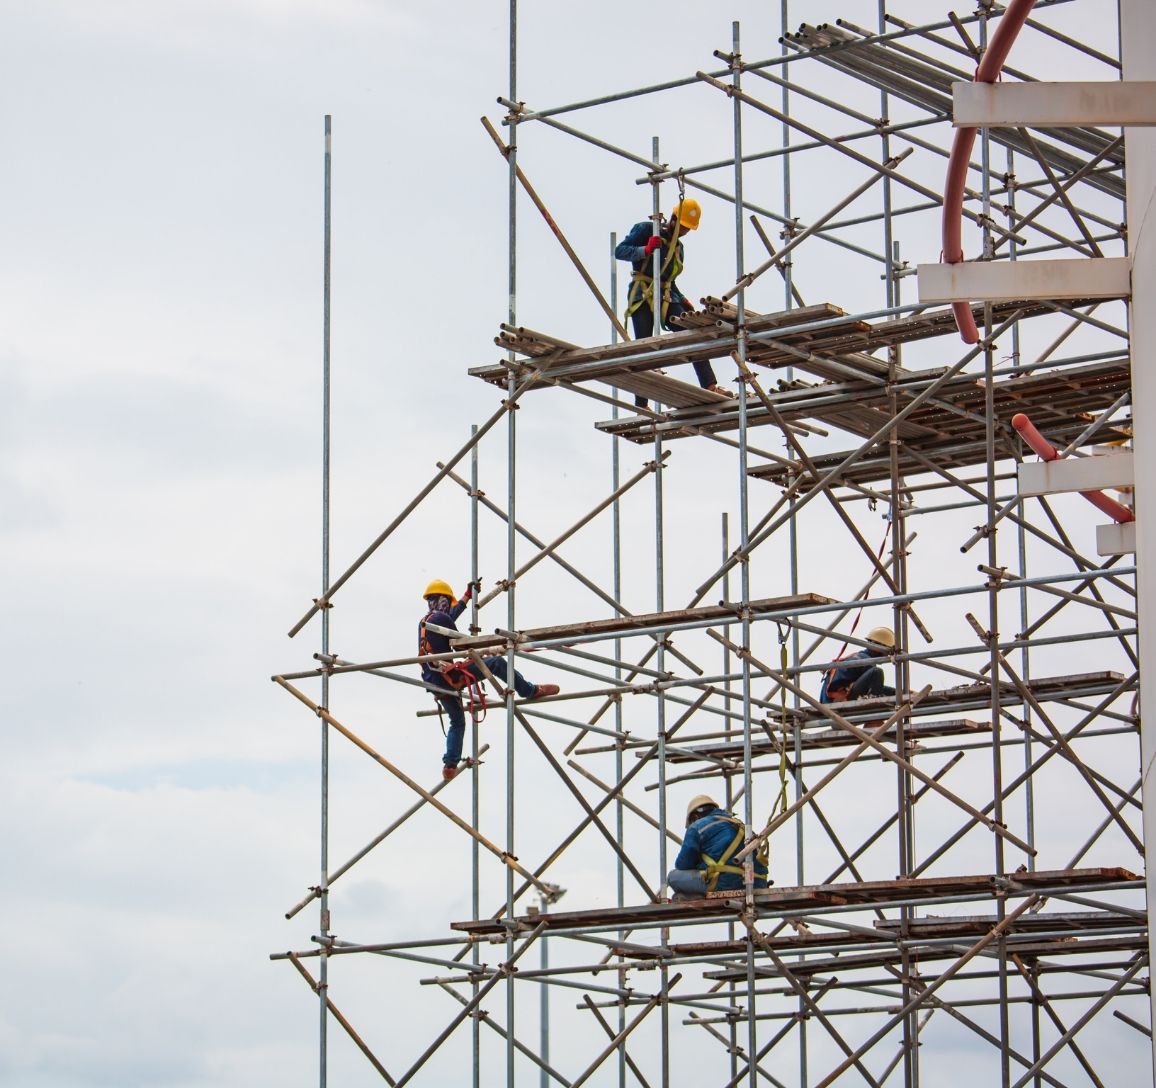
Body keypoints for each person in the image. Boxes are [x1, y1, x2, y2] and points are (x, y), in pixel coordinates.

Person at [418, 579, 560, 780]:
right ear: (443, 601)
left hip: (434, 682)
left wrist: (467, 596)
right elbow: (458, 639)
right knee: (495, 663)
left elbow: (452, 616)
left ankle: (450, 764)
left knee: (457, 721)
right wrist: (481, 648)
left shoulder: (426, 621)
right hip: (448, 676)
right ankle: (529, 690)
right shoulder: (441, 618)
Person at [614, 197, 729, 408]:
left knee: (692, 337)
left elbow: (669, 279)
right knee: (644, 348)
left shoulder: (678, 247)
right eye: (683, 226)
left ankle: (710, 385)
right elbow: (620, 251)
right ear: (674, 218)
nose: (684, 231)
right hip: (643, 295)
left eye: (688, 228)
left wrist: (681, 298)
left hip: (667, 296)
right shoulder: (647, 230)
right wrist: (645, 250)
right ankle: (641, 404)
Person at [667, 795, 769, 899]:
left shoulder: (697, 826)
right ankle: (696, 895)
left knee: (673, 877)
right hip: (756, 883)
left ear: (695, 817)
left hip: (724, 884)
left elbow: (683, 865)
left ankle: (695, 896)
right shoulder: (739, 825)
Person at [819, 625, 897, 704]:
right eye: (886, 651)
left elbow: (875, 686)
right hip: (839, 699)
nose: (886, 655)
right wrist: (897, 693)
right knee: (877, 672)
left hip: (831, 700)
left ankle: (873, 697)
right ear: (876, 647)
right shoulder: (866, 661)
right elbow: (876, 687)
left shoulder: (858, 657)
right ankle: (873, 700)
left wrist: (897, 692)